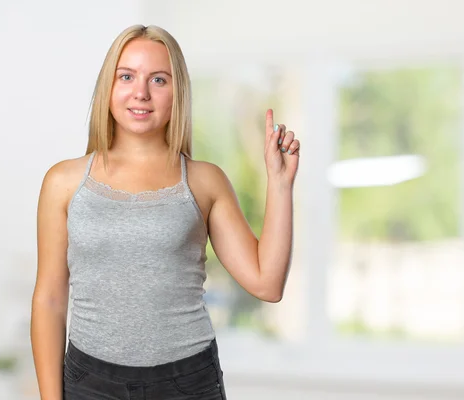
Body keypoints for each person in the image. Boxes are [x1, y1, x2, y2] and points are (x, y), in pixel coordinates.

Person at [30, 24, 300, 400]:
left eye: (158, 80)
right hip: (90, 383)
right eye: (127, 76)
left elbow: (266, 283)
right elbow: (49, 299)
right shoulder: (63, 181)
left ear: (178, 93)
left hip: (187, 383)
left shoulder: (205, 182)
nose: (140, 92)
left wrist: (280, 184)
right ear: (109, 86)